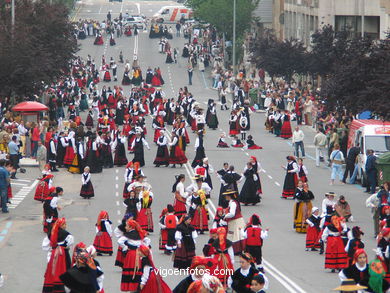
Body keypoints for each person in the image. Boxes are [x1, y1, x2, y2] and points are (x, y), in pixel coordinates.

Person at [42, 218, 74, 293]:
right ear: (61, 225)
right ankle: (63, 287)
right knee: (65, 269)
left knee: (53, 270)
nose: (65, 226)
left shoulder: (51, 234)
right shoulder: (67, 235)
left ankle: (51, 286)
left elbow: (45, 246)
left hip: (53, 255)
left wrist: (53, 249)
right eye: (64, 224)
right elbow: (70, 243)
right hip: (63, 255)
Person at [223, 190, 246, 254]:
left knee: (236, 235)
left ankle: (237, 250)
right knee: (235, 235)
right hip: (235, 221)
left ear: (229, 196)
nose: (225, 197)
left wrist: (225, 216)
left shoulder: (233, 203)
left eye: (226, 195)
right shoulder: (232, 202)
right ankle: (236, 250)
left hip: (236, 221)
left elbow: (232, 214)